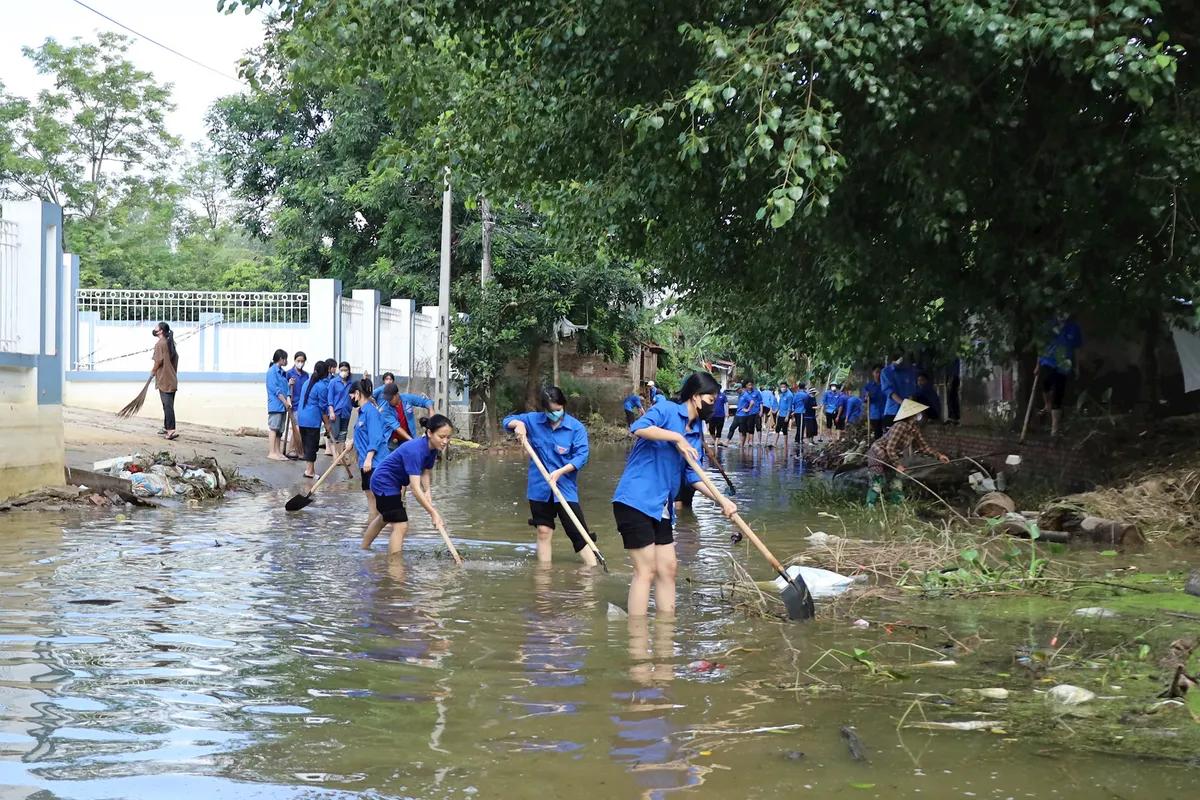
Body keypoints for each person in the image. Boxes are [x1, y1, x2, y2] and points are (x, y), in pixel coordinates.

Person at [612, 372, 737, 617]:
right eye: (711, 400)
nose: (713, 406)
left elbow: (692, 476)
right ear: (695, 397)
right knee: (645, 571)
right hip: (635, 500)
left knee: (668, 568)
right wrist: (675, 437)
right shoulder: (667, 410)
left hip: (661, 506)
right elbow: (638, 427)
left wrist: (721, 500)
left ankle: (665, 636)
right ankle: (638, 644)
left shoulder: (697, 431)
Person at [503, 386, 597, 566]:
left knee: (577, 532)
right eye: (551, 411)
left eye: (559, 409)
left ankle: (592, 570)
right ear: (544, 409)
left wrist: (560, 472)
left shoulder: (575, 428)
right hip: (539, 488)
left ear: (564, 405)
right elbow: (507, 421)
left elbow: (581, 456)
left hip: (565, 488)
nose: (555, 414)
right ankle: (544, 574)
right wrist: (519, 425)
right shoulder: (533, 421)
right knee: (544, 531)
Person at [363, 414, 454, 556]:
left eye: (448, 437)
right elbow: (415, 489)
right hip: (384, 481)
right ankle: (395, 566)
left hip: (392, 483)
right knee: (401, 525)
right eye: (441, 437)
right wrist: (433, 514)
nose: (445, 441)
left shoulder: (433, 449)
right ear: (429, 433)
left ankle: (363, 548)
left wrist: (428, 491)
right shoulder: (415, 450)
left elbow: (425, 471)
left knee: (386, 517)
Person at [865, 399, 949, 506]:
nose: (921, 416)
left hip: (890, 456)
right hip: (878, 453)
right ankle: (870, 507)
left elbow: (923, 447)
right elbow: (890, 447)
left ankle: (897, 505)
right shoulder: (900, 426)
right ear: (912, 415)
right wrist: (897, 465)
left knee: (896, 482)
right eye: (918, 414)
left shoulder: (914, 430)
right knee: (877, 482)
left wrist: (939, 455)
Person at [350, 379, 388, 524]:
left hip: (375, 462)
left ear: (358, 394)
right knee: (368, 492)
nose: (351, 399)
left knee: (377, 493)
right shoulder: (362, 412)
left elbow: (376, 436)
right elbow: (363, 432)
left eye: (351, 396)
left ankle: (380, 524)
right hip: (365, 461)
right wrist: (352, 442)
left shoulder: (371, 412)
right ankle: (372, 521)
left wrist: (369, 458)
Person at [1039, 314, 1083, 436]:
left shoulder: (1074, 328)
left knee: (1058, 394)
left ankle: (1054, 428)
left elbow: (1076, 349)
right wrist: (1037, 366)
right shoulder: (1049, 325)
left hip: (1063, 365)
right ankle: (1047, 404)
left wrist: (1077, 367)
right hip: (1048, 360)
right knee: (1045, 384)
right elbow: (1041, 345)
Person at [296, 360, 331, 478]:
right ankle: (310, 472)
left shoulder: (307, 382)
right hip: (312, 420)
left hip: (302, 418)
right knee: (312, 445)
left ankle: (309, 470)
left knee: (307, 444)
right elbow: (323, 408)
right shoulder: (321, 386)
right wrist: (327, 424)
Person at [380, 383, 434, 450]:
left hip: (408, 438)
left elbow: (426, 402)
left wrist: (431, 421)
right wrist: (412, 441)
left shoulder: (407, 399)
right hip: (393, 442)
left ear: (397, 394)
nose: (389, 401)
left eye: (391, 398)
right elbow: (397, 427)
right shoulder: (385, 409)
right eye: (387, 399)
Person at [149, 322, 179, 441]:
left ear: (160, 331)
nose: (154, 329)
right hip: (171, 378)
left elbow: (158, 361)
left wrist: (153, 372)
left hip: (164, 379)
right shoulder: (170, 343)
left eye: (156, 327)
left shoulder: (160, 344)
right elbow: (175, 360)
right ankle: (167, 427)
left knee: (167, 405)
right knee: (168, 404)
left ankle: (171, 430)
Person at [266, 349, 292, 461]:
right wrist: (285, 401)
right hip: (276, 404)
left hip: (283, 406)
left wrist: (288, 400)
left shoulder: (282, 373)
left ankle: (277, 451)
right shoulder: (272, 371)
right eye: (285, 358)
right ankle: (272, 451)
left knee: (279, 430)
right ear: (281, 359)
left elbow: (286, 389)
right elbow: (276, 390)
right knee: (274, 428)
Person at [880, 353, 917, 430]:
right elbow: (890, 392)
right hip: (892, 411)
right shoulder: (886, 372)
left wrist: (909, 407)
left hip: (907, 412)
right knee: (891, 438)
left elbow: (911, 391)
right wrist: (903, 403)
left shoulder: (909, 371)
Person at [328, 361, 354, 461]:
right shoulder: (333, 382)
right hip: (335, 412)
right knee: (334, 435)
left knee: (343, 434)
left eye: (345, 370)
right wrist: (331, 411)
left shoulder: (351, 384)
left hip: (346, 412)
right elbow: (330, 398)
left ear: (349, 371)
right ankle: (335, 456)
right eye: (342, 370)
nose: (343, 372)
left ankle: (340, 456)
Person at [285, 351, 309, 458]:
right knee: (296, 427)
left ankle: (297, 450)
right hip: (294, 404)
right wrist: (289, 384)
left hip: (303, 404)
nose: (300, 363)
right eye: (298, 361)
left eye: (302, 361)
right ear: (295, 361)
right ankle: (294, 449)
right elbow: (284, 388)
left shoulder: (306, 375)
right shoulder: (289, 373)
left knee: (300, 428)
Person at [862, 364, 886, 441]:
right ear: (873, 373)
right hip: (874, 414)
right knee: (877, 434)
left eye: (881, 372)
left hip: (886, 413)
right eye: (877, 372)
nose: (879, 375)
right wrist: (866, 396)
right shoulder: (868, 386)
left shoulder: (887, 385)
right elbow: (864, 400)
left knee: (888, 433)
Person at [734, 379, 760, 449]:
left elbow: (759, 402)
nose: (750, 386)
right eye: (749, 385)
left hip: (753, 412)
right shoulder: (742, 393)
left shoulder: (756, 392)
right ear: (746, 386)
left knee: (751, 428)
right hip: (743, 414)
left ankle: (750, 441)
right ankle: (743, 442)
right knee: (742, 428)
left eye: (751, 385)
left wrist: (749, 409)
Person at [769, 381, 793, 448]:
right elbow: (780, 405)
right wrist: (775, 411)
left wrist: (787, 416)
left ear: (787, 387)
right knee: (777, 429)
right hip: (780, 415)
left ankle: (785, 445)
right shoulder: (781, 395)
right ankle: (774, 443)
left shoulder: (789, 395)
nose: (782, 388)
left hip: (785, 415)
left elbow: (789, 407)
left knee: (785, 430)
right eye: (781, 387)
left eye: (784, 387)